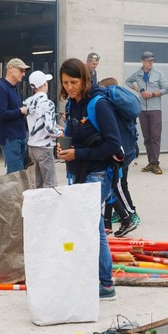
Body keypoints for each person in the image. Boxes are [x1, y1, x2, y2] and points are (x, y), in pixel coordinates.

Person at [57, 57, 122, 300]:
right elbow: (73, 137)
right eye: (66, 82)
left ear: (85, 79)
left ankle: (106, 284)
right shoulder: (71, 105)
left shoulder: (99, 104)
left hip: (98, 172)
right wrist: (63, 149)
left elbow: (113, 144)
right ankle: (88, 277)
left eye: (74, 82)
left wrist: (79, 153)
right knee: (83, 226)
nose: (70, 87)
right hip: (79, 171)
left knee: (95, 227)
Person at [98, 77, 140, 237]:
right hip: (128, 150)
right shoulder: (122, 105)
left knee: (117, 186)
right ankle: (107, 222)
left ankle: (130, 215)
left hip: (119, 153)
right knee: (114, 184)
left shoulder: (111, 107)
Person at [125, 51, 168, 174]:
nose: (151, 63)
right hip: (142, 110)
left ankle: (155, 163)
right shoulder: (138, 74)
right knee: (147, 137)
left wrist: (153, 94)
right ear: (143, 61)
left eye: (152, 60)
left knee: (155, 137)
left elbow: (166, 89)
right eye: (148, 61)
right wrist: (137, 89)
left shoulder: (158, 73)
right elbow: (128, 81)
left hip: (155, 109)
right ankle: (150, 162)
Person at [24, 70, 61, 188]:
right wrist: (61, 132)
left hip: (32, 147)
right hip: (44, 147)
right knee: (50, 184)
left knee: (38, 184)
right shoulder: (48, 103)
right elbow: (49, 129)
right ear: (44, 84)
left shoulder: (28, 102)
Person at [0, 57, 31, 173]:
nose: (23, 74)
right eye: (21, 70)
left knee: (19, 174)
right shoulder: (1, 88)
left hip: (20, 136)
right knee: (16, 175)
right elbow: (1, 114)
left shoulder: (13, 88)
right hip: (10, 137)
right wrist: (20, 111)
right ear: (11, 69)